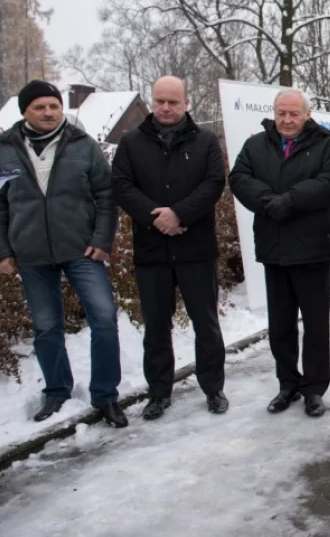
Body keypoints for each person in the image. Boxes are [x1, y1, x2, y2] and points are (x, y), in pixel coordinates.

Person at [0, 80, 128, 427]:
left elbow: (107, 196)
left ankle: (106, 395)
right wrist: (0, 250)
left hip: (82, 249)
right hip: (31, 253)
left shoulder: (83, 145)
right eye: (39, 107)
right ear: (25, 112)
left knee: (104, 319)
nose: (48, 112)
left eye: (54, 106)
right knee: (46, 327)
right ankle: (57, 391)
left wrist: (102, 240)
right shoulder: (3, 150)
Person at [112, 76, 229, 420]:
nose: (165, 107)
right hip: (152, 252)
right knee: (156, 328)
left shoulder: (205, 141)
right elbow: (121, 185)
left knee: (206, 324)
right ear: (152, 101)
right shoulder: (130, 143)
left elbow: (213, 184)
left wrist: (178, 214)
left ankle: (213, 388)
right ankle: (159, 393)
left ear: (185, 103)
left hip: (196, 249)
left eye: (173, 102)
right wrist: (157, 218)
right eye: (160, 101)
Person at [228, 89, 330, 418]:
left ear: (307, 114)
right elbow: (239, 178)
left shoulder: (327, 144)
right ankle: (287, 384)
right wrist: (269, 202)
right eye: (282, 113)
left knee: (316, 325)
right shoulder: (256, 145)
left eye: (294, 113)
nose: (287, 120)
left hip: (313, 249)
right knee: (280, 325)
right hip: (274, 247)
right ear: (274, 113)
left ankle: (314, 389)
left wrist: (289, 201)